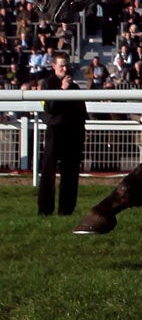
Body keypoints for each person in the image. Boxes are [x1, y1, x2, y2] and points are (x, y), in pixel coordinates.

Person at [37, 53, 88, 216]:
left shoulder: (75, 87)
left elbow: (82, 112)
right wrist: (62, 90)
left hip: (73, 132)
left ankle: (66, 210)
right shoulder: (46, 83)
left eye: (67, 66)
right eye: (61, 66)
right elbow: (49, 108)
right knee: (48, 171)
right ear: (54, 66)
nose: (65, 69)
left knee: (71, 173)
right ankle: (45, 209)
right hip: (55, 130)